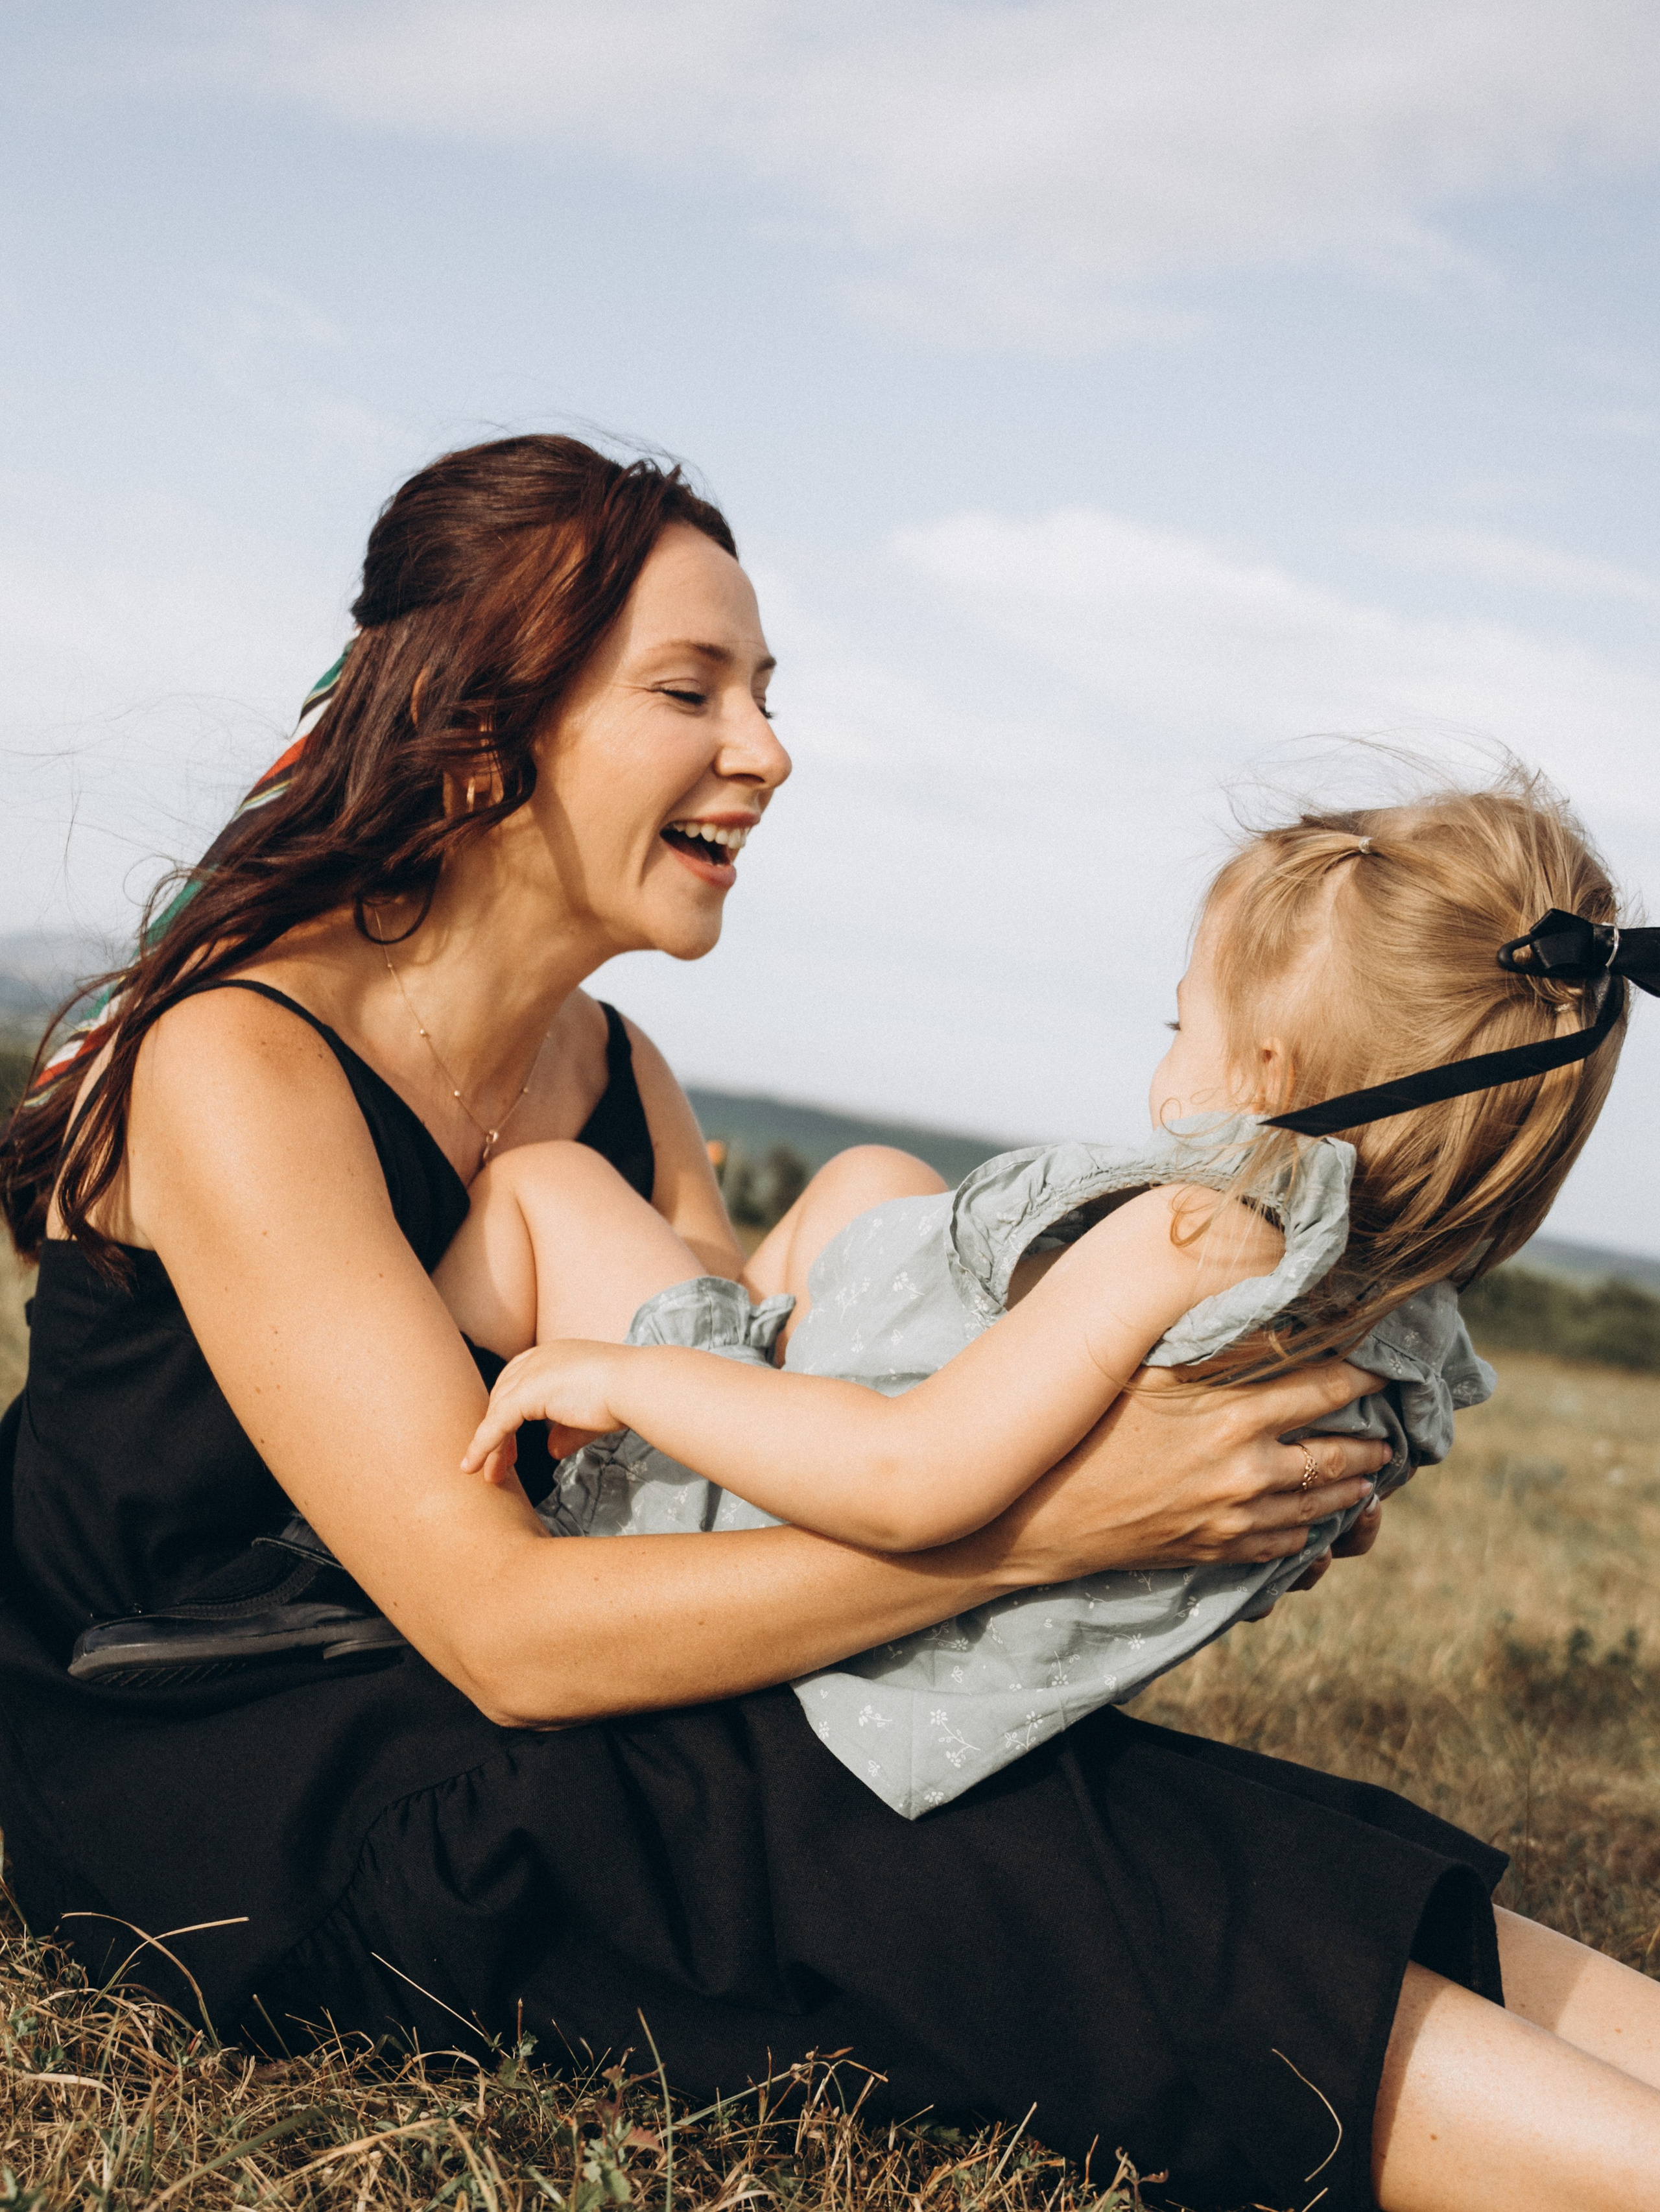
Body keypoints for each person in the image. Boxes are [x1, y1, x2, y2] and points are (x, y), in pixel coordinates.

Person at [0, 434, 1646, 2212]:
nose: (767, 749)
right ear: (482, 729)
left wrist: (1199, 1459)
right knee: (931, 1850)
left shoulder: (618, 1078)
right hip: (227, 1771)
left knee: (1097, 1796)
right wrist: (1053, 1527)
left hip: (489, 1713)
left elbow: (743, 1493)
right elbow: (509, 1632)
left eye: (766, 693)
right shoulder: (238, 1059)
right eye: (689, 689)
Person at [451, 782, 1632, 1820]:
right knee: (873, 1182)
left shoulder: (1191, 1229)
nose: (1166, 1058)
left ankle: (425, 1457)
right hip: (923, 1637)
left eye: (1183, 1023)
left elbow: (899, 1480)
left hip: (766, 1581)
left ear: (1264, 1075)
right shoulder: (1392, 1342)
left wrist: (628, 1377)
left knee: (545, 1184)